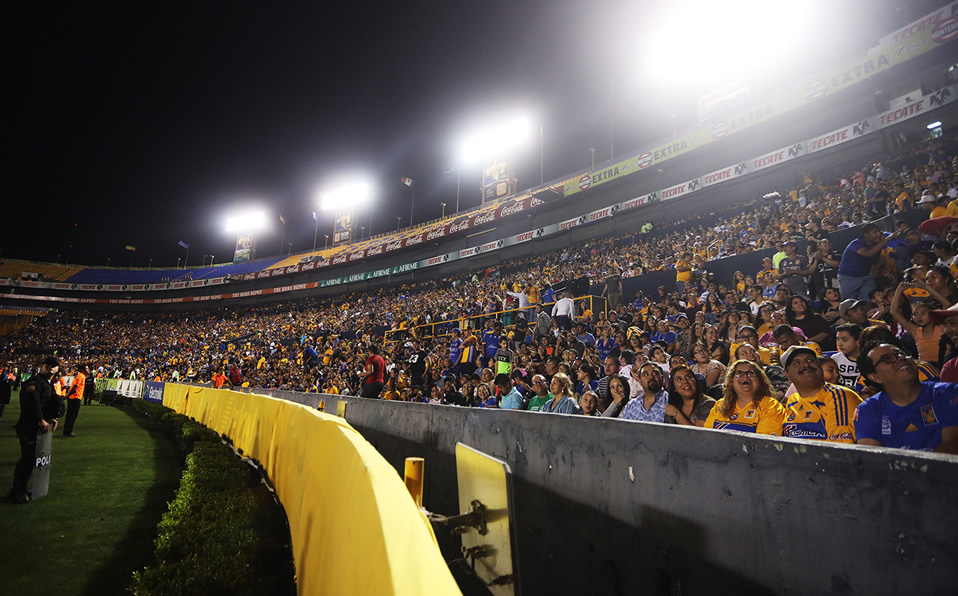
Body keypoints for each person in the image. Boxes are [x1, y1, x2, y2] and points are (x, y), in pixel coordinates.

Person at [855, 342, 958, 453]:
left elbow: (953, 445)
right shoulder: (868, 410)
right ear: (874, 376)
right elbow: (872, 460)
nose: (901, 358)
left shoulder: (948, 393)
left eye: (901, 353)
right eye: (887, 358)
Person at [779, 346, 862, 443]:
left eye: (810, 360)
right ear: (786, 373)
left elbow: (840, 450)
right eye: (796, 363)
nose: (806, 364)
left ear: (818, 365)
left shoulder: (839, 395)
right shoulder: (792, 400)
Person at [8, 356, 61, 504]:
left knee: (31, 460)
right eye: (48, 364)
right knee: (27, 459)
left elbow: (49, 404)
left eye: (54, 365)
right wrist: (41, 419)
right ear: (42, 366)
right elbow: (33, 402)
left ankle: (21, 488)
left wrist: (52, 418)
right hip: (29, 427)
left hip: (38, 427)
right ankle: (17, 492)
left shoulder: (47, 384)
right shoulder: (33, 382)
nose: (51, 367)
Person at [704, 359, 787, 434]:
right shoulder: (720, 405)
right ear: (731, 381)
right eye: (739, 373)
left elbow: (764, 445)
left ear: (760, 380)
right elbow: (708, 438)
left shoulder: (771, 406)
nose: (745, 376)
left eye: (751, 373)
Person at [838, 223, 899, 301]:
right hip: (849, 277)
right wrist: (887, 239)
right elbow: (868, 253)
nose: (878, 234)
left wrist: (888, 273)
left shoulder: (876, 246)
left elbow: (876, 263)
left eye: (879, 232)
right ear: (865, 234)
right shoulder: (856, 243)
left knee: (869, 300)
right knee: (849, 303)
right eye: (874, 232)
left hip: (866, 276)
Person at [62, 364, 89, 438]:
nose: (88, 369)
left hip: (75, 397)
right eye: (87, 368)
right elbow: (74, 387)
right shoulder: (81, 376)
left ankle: (67, 430)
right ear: (83, 369)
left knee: (71, 415)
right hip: (75, 398)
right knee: (72, 415)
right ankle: (67, 431)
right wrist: (67, 396)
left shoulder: (80, 376)